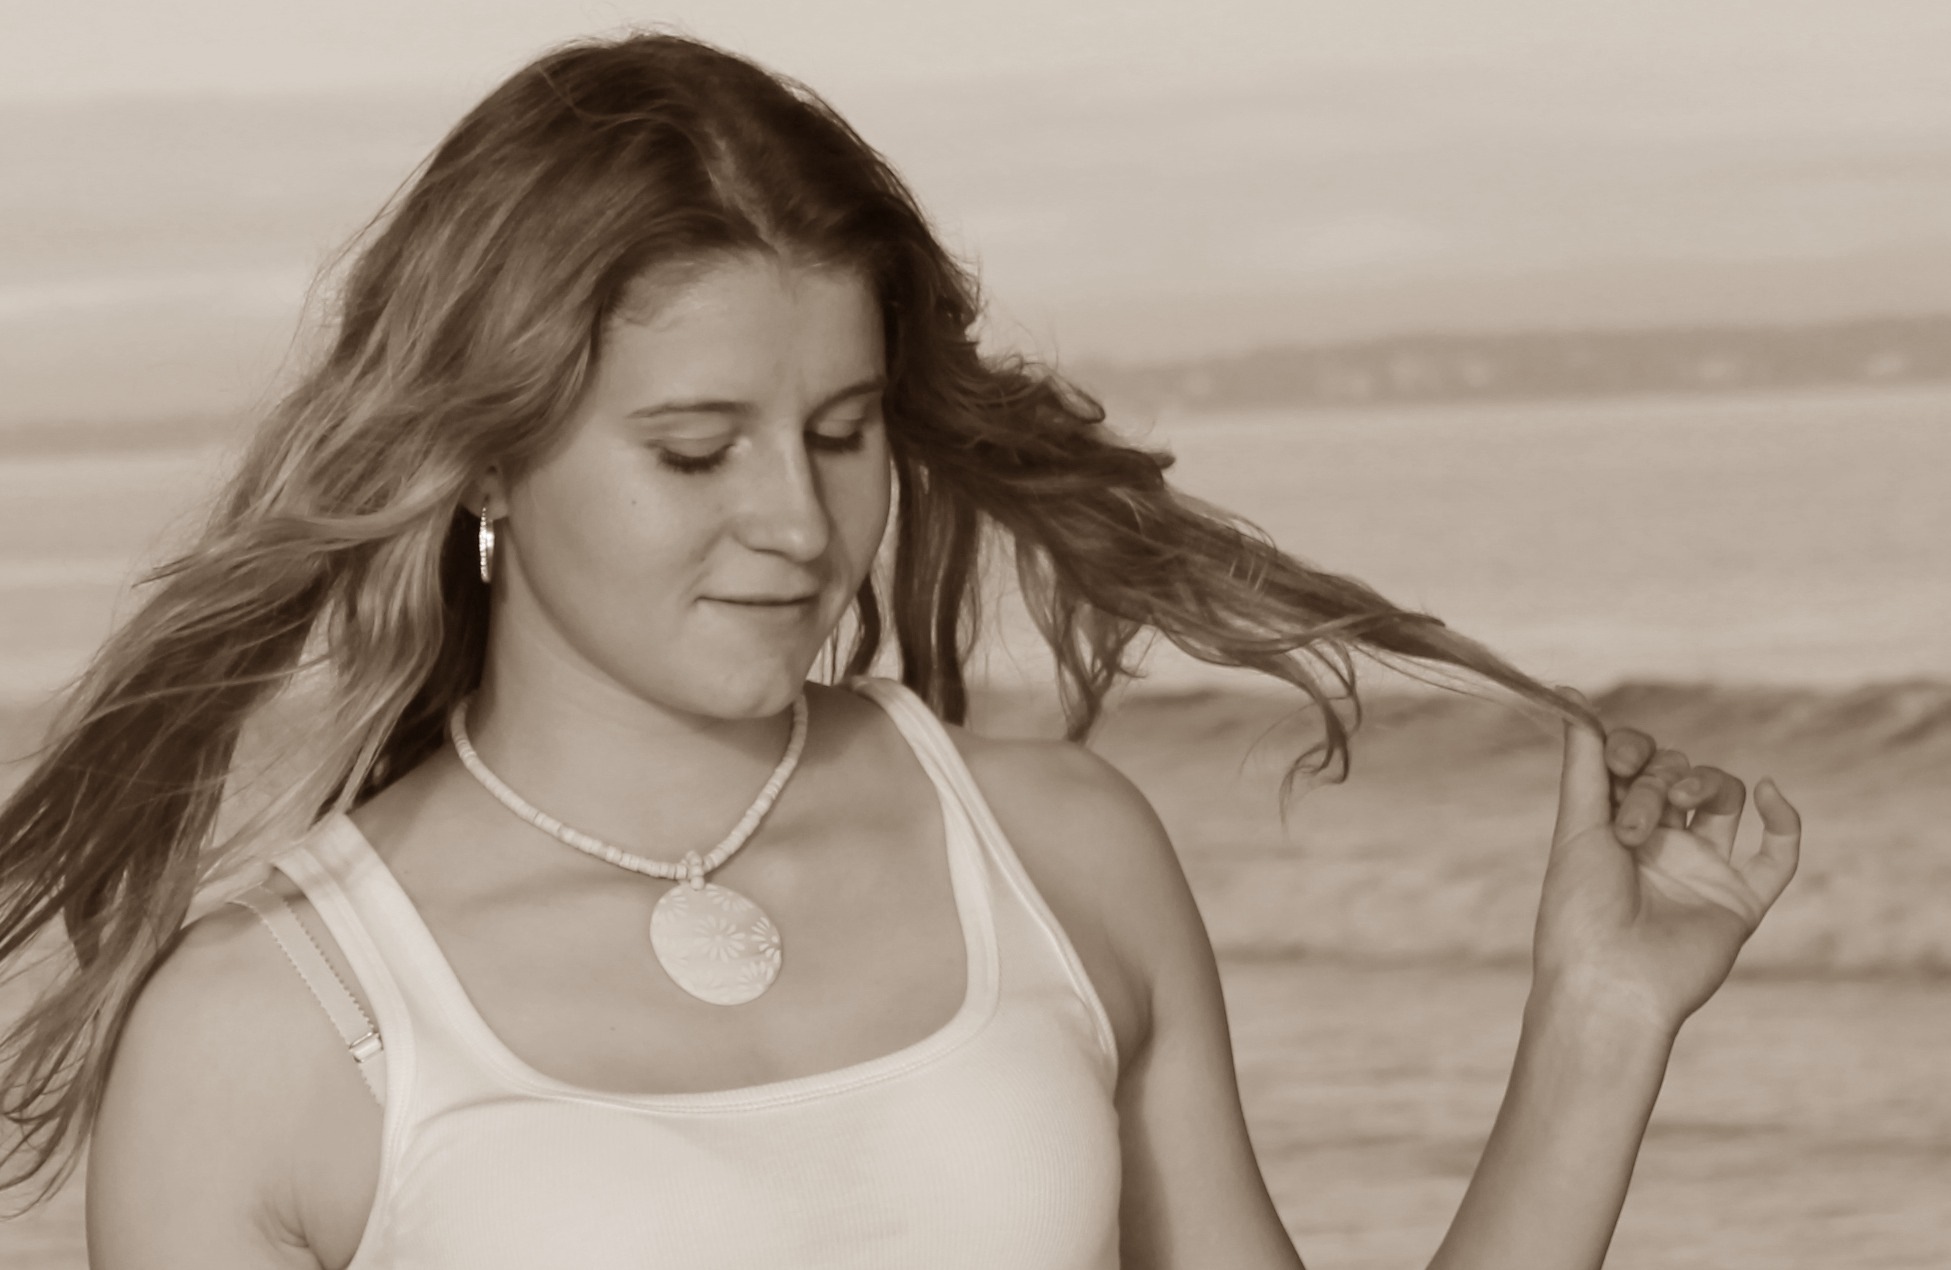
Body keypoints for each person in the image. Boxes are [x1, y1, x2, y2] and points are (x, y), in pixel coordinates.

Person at [0, 31, 1800, 1270]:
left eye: (844, 431)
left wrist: (1601, 1021)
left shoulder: (1057, 852)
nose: (798, 520)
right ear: (482, 456)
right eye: (694, 450)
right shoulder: (267, 1033)